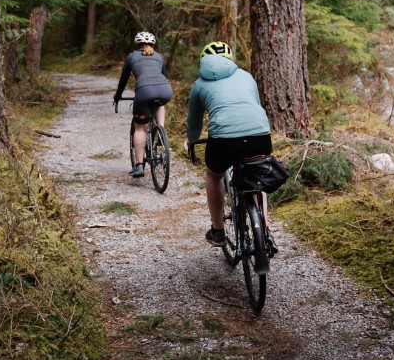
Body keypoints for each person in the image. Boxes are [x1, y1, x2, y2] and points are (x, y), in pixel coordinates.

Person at [186, 41, 274, 258]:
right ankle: (265, 228)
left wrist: (192, 141)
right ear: (230, 59)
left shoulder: (199, 84)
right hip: (260, 134)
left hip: (224, 140)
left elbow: (194, 122)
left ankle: (217, 231)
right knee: (257, 175)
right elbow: (254, 105)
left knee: (214, 176)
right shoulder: (246, 77)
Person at [114, 31, 172, 177]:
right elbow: (163, 77)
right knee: (159, 103)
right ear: (153, 44)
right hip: (165, 90)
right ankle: (161, 131)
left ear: (137, 44)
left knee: (140, 129)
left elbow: (124, 79)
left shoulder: (132, 56)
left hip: (144, 91)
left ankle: (139, 166)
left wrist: (118, 96)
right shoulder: (159, 56)